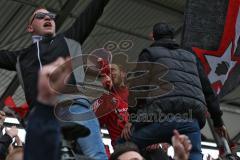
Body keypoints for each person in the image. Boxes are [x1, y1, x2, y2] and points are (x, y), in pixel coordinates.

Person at [0, 0, 110, 159]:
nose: (48, 18)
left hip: (73, 106)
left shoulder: (67, 39)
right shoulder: (20, 58)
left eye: (50, 16)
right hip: (41, 117)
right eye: (40, 16)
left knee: (96, 156)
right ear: (30, 28)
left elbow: (90, 14)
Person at [122, 22, 227, 160]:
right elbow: (208, 91)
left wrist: (132, 118)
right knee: (194, 154)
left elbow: (138, 88)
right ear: (172, 37)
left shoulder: (149, 53)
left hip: (159, 118)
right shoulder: (191, 56)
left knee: (123, 146)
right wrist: (218, 122)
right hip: (191, 120)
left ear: (152, 37)